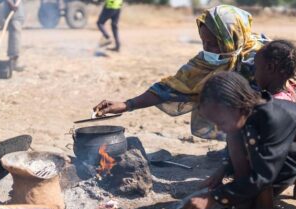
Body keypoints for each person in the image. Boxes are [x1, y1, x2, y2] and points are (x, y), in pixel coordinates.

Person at [93, 5, 269, 143]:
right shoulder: (205, 61)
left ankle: (247, 149)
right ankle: (235, 147)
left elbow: (274, 106)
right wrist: (127, 104)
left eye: (212, 43)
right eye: (203, 42)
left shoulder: (260, 60)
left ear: (231, 38)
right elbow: (171, 86)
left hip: (271, 127)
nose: (206, 48)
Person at [179, 72, 296, 209]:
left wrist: (214, 197)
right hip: (281, 156)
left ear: (238, 106)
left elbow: (263, 175)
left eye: (221, 122)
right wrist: (223, 170)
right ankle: (248, 202)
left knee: (251, 146)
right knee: (235, 135)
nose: (219, 129)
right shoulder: (248, 110)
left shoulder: (273, 118)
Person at [254, 40, 296, 111]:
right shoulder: (290, 90)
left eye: (256, 68)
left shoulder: (274, 105)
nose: (254, 73)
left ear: (270, 68)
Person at [2, 0, 25, 71]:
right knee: (15, 34)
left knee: (15, 34)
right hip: (12, 10)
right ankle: (13, 63)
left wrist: (15, 4)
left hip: (16, 10)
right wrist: (12, 4)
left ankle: (14, 62)